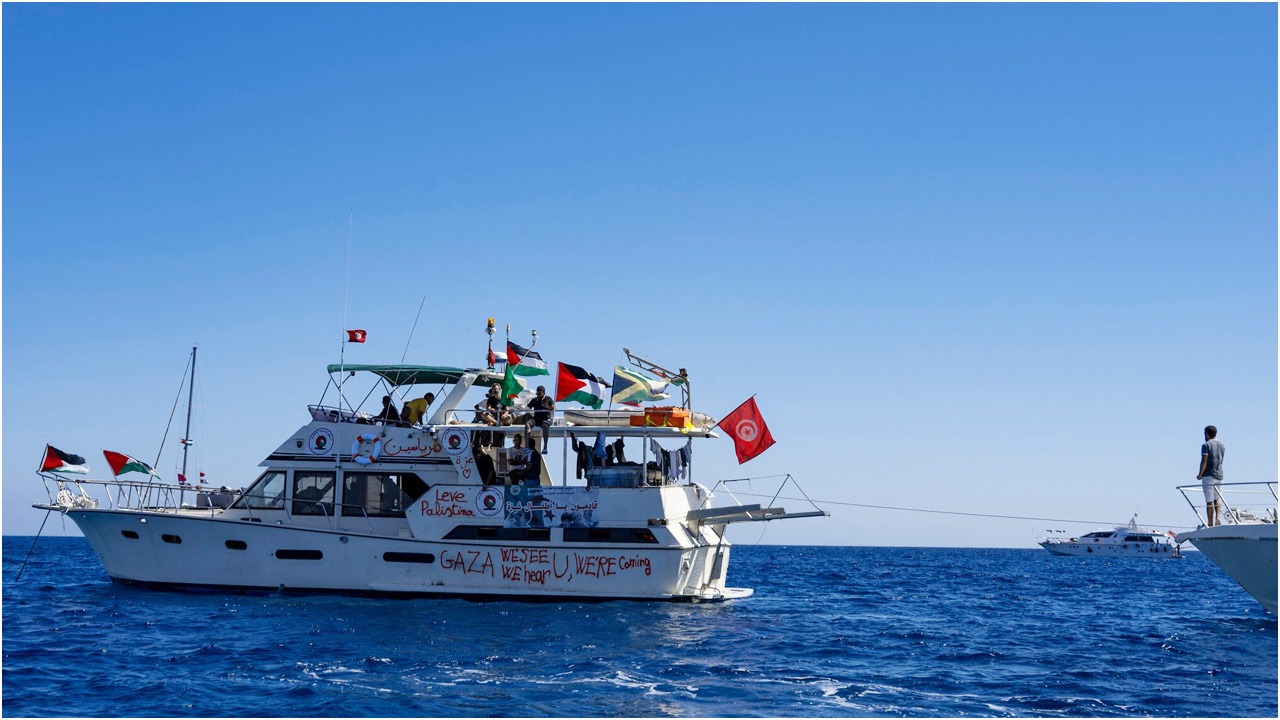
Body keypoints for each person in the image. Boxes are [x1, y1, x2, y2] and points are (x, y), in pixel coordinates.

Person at [1197, 425, 1226, 527]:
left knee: (1209, 501)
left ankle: (1210, 523)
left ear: (1207, 434)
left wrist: (1200, 474)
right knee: (1217, 498)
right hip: (1220, 475)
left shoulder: (1206, 445)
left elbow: (1204, 461)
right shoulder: (1222, 445)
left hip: (1208, 475)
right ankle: (1218, 517)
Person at [524, 385, 555, 454]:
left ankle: (545, 447)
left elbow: (553, 408)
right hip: (536, 419)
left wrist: (547, 405)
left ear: (544, 393)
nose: (538, 395)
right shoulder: (534, 400)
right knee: (527, 424)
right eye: (537, 394)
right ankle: (526, 447)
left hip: (545, 418)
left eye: (540, 394)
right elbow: (527, 408)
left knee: (545, 425)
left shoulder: (548, 399)